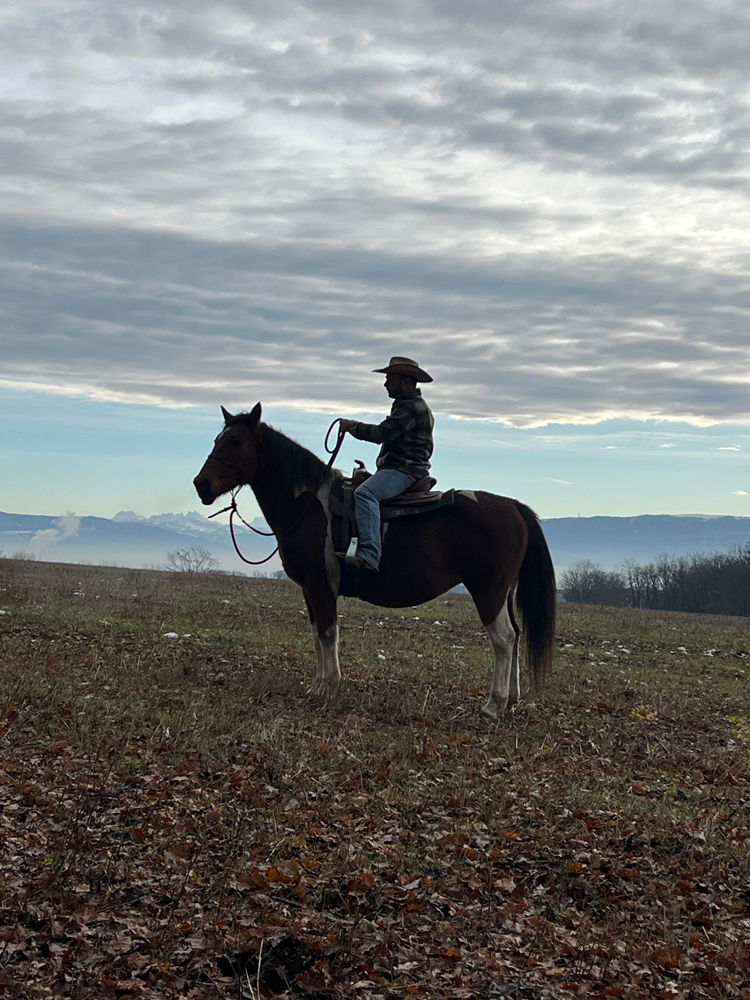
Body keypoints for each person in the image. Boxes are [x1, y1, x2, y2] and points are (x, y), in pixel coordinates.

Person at [338, 356, 434, 572]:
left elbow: (382, 433)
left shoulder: (410, 407)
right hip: (405, 468)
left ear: (406, 382)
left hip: (403, 470)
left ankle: (369, 555)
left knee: (364, 494)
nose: (385, 384)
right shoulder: (409, 405)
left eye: (390, 378)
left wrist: (351, 426)